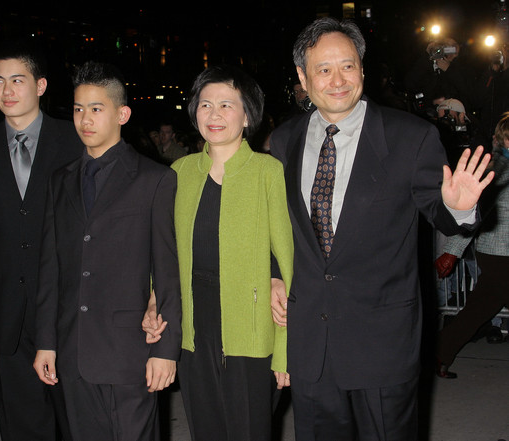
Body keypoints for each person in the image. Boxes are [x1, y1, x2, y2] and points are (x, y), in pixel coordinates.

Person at [269, 17, 493, 440]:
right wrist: (275, 273)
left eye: (348, 66)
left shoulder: (411, 136)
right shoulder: (284, 141)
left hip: (382, 343)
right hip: (311, 343)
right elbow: (278, 225)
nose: (338, 80)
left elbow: (440, 213)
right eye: (324, 69)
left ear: (363, 69)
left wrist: (457, 207)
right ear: (302, 75)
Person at [143, 64, 294, 441]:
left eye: (227, 105)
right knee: (205, 429)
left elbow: (288, 262)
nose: (214, 114)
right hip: (195, 326)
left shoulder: (268, 172)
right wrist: (153, 301)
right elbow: (162, 250)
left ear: (247, 116)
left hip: (253, 326)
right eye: (206, 105)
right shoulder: (178, 172)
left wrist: (286, 351)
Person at [33, 60, 181, 441]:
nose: (85, 119)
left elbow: (167, 270)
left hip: (129, 351)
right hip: (72, 349)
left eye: (96, 109)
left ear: (122, 113)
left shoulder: (155, 179)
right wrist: (46, 342)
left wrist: (165, 350)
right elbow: (51, 268)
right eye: (79, 109)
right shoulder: (60, 180)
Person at [0, 41, 83, 441]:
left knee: (77, 418)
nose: (7, 90)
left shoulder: (76, 141)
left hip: (68, 305)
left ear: (40, 85)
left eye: (18, 80)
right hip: (7, 309)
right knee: (22, 423)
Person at [434, 112, 509, 377]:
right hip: (500, 253)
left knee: (478, 308)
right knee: (479, 307)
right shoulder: (496, 168)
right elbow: (473, 214)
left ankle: (439, 354)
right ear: (504, 138)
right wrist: (452, 252)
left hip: (500, 255)